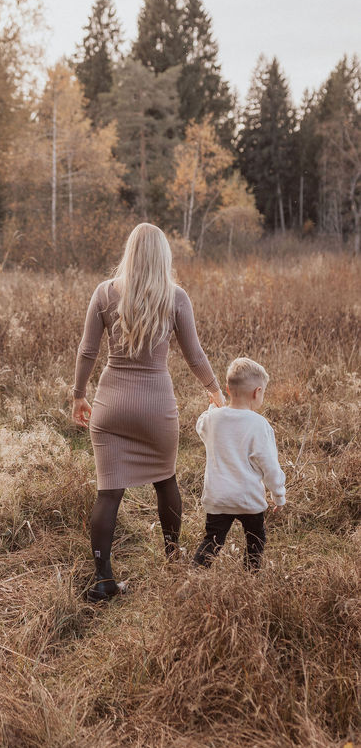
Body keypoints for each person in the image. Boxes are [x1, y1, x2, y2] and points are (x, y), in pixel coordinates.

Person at [72, 222, 224, 601]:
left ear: (129, 253)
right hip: (156, 406)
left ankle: (102, 580)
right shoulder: (175, 297)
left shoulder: (105, 293)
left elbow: (87, 350)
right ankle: (173, 558)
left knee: (109, 493)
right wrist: (216, 391)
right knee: (166, 480)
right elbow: (195, 355)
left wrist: (79, 395)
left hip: (111, 404)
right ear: (163, 257)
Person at [192, 356, 286, 571]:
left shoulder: (213, 419)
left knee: (212, 541)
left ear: (227, 388)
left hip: (218, 498)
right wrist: (278, 495)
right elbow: (269, 466)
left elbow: (201, 424)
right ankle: (250, 575)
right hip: (248, 499)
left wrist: (212, 407)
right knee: (256, 539)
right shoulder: (259, 425)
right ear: (257, 392)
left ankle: (193, 576)